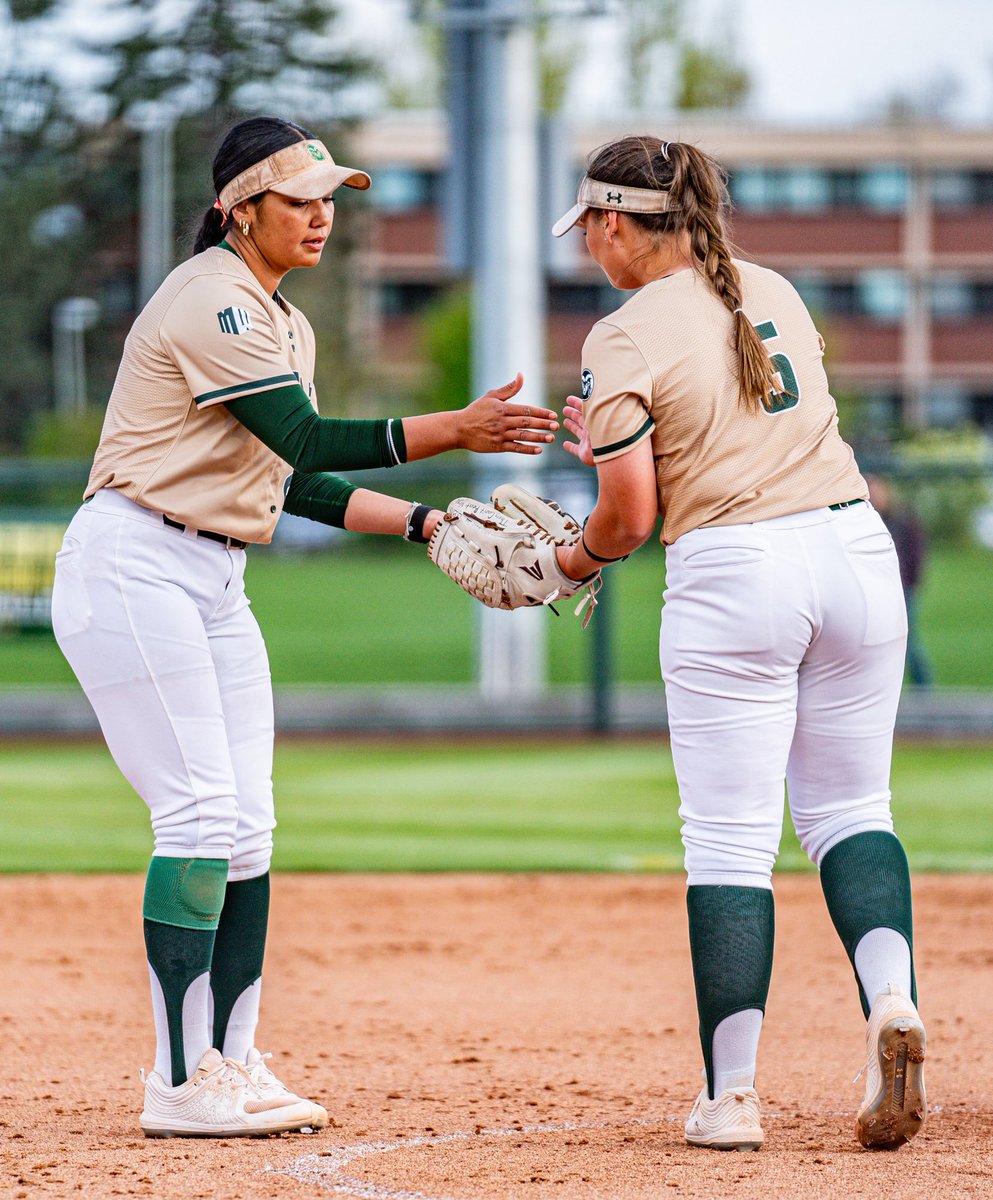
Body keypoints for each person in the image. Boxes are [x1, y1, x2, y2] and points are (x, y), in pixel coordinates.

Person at [50, 115, 560, 1139]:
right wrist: (455, 431)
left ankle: (232, 1061)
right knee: (195, 815)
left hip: (214, 575)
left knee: (247, 827)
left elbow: (294, 479)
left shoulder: (285, 322)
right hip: (135, 562)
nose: (324, 215)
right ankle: (178, 1079)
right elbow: (304, 433)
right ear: (240, 209)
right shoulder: (210, 298)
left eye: (333, 197)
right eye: (301, 199)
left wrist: (423, 522)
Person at [551, 136, 926, 1152]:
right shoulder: (775, 289)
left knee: (729, 839)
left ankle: (731, 1100)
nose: (589, 245)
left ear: (619, 222)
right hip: (855, 547)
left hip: (736, 570)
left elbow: (629, 519)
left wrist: (567, 564)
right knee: (853, 809)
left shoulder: (622, 333)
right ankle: (891, 1001)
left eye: (592, 226)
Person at [866, 474, 934, 688]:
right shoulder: (863, 521)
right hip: (872, 589)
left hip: (901, 589)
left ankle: (923, 688)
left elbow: (917, 553)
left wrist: (911, 583)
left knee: (907, 640)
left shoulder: (902, 518)